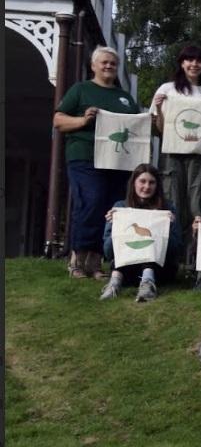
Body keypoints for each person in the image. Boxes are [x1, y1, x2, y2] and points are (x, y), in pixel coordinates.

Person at [54, 46, 143, 279]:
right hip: (85, 156)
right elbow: (59, 120)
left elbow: (137, 128)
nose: (108, 66)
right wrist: (83, 120)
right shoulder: (81, 90)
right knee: (90, 202)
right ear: (93, 66)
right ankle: (77, 258)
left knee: (110, 207)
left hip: (117, 161)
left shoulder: (124, 97)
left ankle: (96, 262)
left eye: (113, 63)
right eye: (104, 62)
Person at [150, 45, 201, 277]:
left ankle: (196, 262)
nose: (194, 64)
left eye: (199, 61)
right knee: (172, 205)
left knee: (198, 206)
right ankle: (170, 261)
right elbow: (159, 130)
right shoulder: (167, 89)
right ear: (182, 63)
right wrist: (160, 108)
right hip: (172, 154)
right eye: (189, 60)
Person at [101, 163, 182, 302]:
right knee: (127, 252)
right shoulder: (120, 207)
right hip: (128, 268)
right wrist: (115, 227)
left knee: (148, 250)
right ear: (134, 183)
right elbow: (108, 252)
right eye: (142, 181)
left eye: (151, 182)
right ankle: (114, 283)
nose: (146, 187)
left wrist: (168, 227)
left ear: (157, 186)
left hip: (159, 270)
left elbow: (176, 250)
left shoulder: (167, 209)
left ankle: (147, 283)